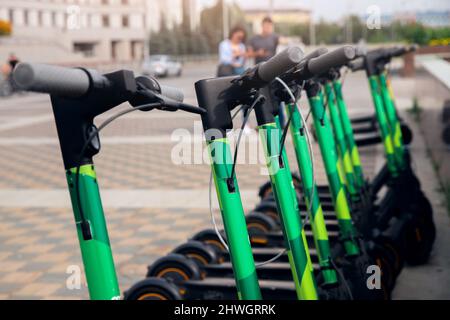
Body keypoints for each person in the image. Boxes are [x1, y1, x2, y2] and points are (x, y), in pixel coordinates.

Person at [248, 17, 286, 127]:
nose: (267, 28)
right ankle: (264, 123)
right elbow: (249, 54)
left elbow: (284, 40)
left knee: (276, 98)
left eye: (269, 26)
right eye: (266, 26)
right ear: (262, 26)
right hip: (259, 74)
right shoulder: (254, 39)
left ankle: (281, 124)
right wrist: (257, 53)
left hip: (274, 72)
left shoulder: (274, 37)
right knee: (262, 99)